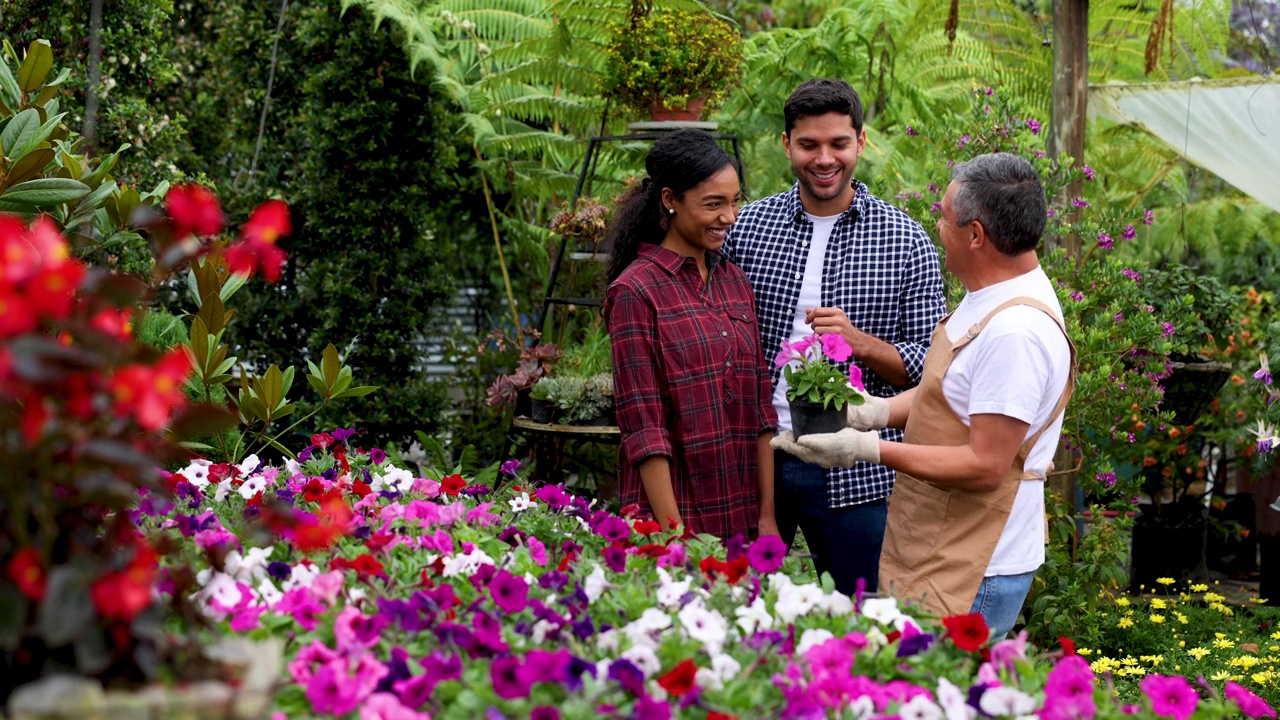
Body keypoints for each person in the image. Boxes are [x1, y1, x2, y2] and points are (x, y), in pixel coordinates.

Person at [773, 152, 1076, 639]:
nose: (937, 228)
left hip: (975, 567)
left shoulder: (1015, 333)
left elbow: (985, 465)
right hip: (943, 544)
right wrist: (872, 412)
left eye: (944, 217)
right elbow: (950, 392)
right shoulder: (991, 296)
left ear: (975, 236)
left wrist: (866, 449)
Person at [722, 78, 946, 592]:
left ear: (861, 142)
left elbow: (931, 366)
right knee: (743, 606)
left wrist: (860, 341)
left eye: (838, 144)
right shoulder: (748, 227)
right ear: (787, 145)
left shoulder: (904, 238)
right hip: (757, 458)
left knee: (864, 613)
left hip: (857, 468)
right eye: (809, 144)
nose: (824, 158)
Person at [602, 129, 778, 541]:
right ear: (669, 201)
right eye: (713, 205)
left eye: (735, 201)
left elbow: (760, 407)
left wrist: (767, 517)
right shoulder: (635, 292)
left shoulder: (733, 279)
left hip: (742, 518)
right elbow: (645, 429)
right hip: (673, 521)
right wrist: (675, 535)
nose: (729, 217)